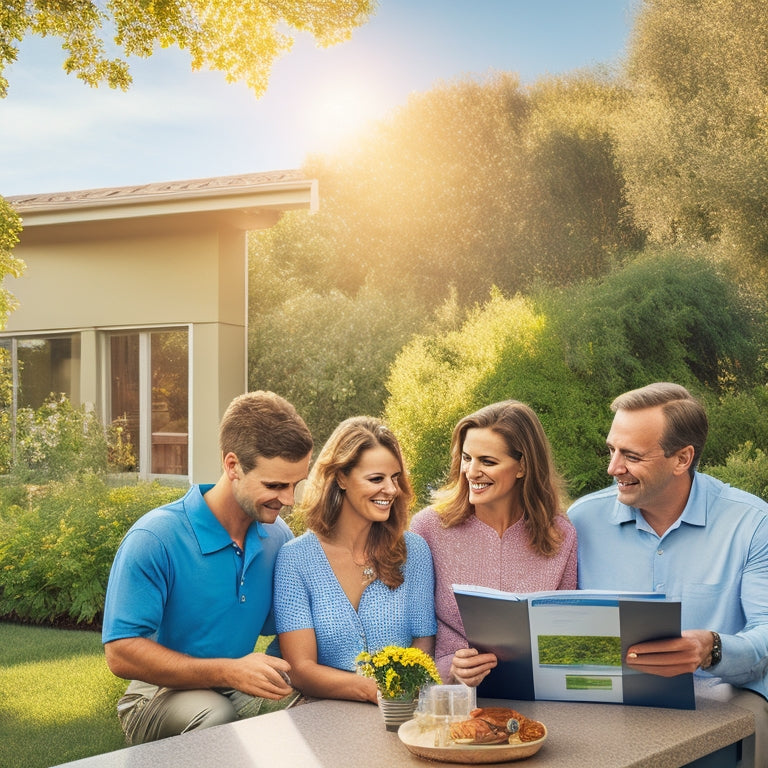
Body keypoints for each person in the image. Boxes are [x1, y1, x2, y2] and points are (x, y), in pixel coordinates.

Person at [568, 382, 768, 765]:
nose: (613, 469)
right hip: (601, 713)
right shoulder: (581, 520)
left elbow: (765, 631)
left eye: (631, 456)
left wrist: (711, 649)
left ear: (682, 458)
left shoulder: (752, 524)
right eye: (611, 450)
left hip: (715, 713)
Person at [102, 391, 313, 744]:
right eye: (275, 485)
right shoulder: (156, 537)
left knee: (312, 704)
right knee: (216, 714)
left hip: (233, 685)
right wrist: (229, 671)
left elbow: (290, 625)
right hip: (158, 697)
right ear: (232, 466)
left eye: (295, 485)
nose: (289, 500)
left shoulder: (277, 536)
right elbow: (121, 652)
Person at [410, 400, 577, 686]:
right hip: (453, 699)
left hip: (538, 698)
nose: (471, 472)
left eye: (487, 461)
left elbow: (567, 636)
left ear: (523, 466)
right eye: (466, 458)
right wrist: (450, 668)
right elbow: (414, 637)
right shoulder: (428, 528)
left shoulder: (561, 534)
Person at [273, 416, 437, 703]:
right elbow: (300, 669)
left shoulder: (415, 552)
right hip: (322, 714)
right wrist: (373, 690)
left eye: (395, 478)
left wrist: (399, 699)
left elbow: (423, 642)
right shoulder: (295, 559)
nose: (391, 489)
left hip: (401, 714)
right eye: (376, 479)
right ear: (341, 478)